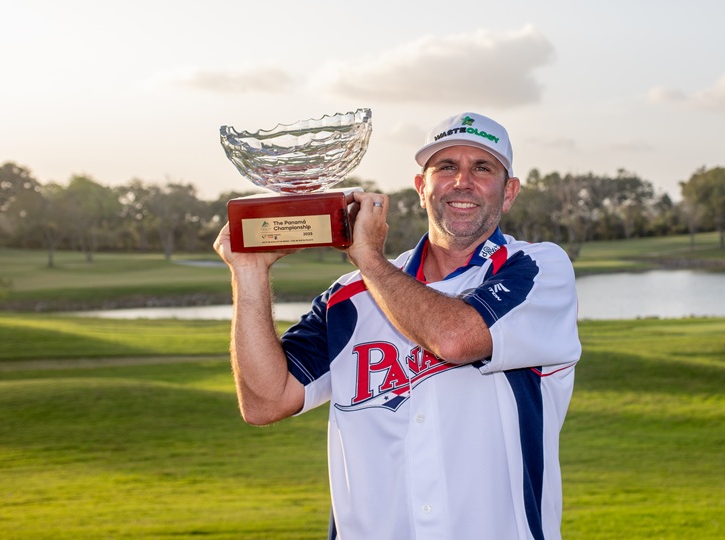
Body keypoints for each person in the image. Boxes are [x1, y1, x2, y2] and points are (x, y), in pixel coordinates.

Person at [213, 112, 581, 540]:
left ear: (509, 192)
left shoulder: (537, 268)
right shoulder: (348, 298)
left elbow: (455, 338)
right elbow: (264, 402)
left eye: (482, 168)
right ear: (421, 187)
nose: (462, 181)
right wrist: (248, 272)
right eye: (446, 167)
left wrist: (369, 257)